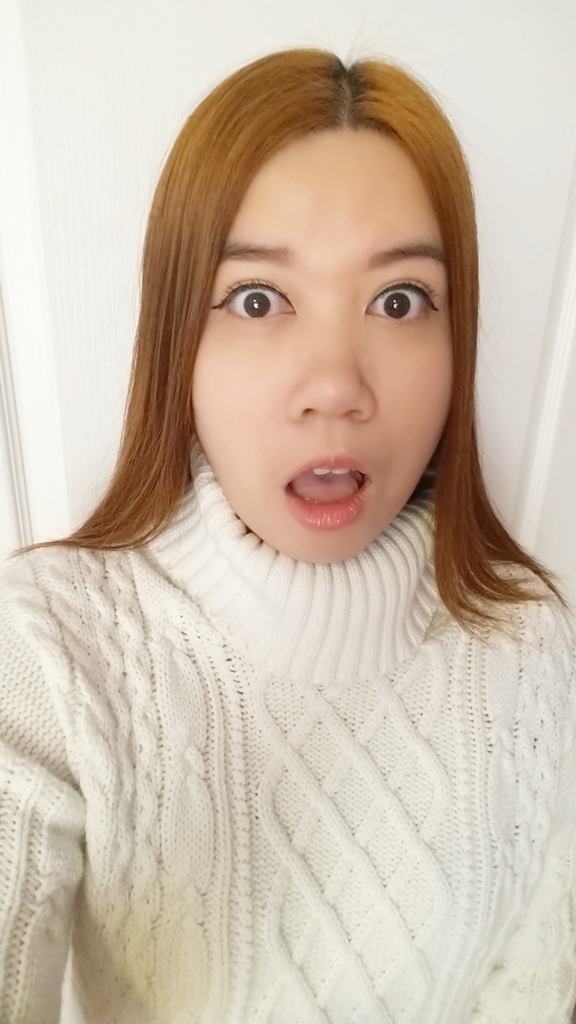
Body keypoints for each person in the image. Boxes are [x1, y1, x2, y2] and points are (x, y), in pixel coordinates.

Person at [0, 46, 575, 1024]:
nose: (336, 387)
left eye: (399, 300)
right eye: (258, 299)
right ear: (177, 339)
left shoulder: (535, 650)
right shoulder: (50, 655)